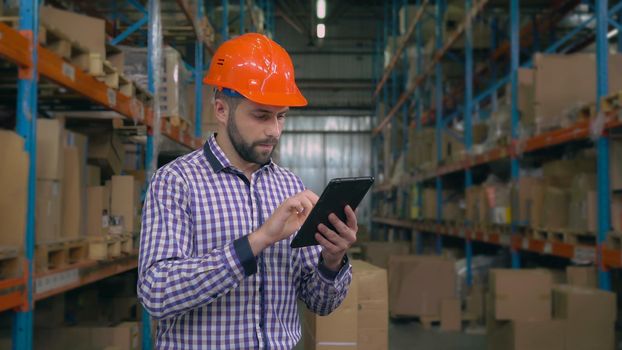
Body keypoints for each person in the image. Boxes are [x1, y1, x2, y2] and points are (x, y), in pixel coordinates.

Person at [138, 33, 358, 349]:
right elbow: (156, 292)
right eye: (261, 115)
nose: (275, 130)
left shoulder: (289, 187)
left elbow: (320, 303)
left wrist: (332, 260)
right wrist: (258, 241)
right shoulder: (176, 181)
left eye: (281, 116)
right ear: (221, 109)